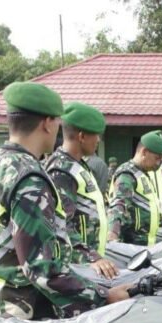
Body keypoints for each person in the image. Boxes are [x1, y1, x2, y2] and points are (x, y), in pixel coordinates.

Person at [0, 81, 126, 320]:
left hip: (2, 292)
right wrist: (102, 296)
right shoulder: (28, 178)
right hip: (27, 309)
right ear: (47, 124)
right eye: (56, 121)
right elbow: (41, 268)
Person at [45, 101, 114, 262]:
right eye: (96, 135)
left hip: (90, 260)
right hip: (78, 262)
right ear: (82, 136)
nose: (98, 140)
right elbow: (61, 224)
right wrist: (92, 257)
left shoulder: (78, 165)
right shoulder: (62, 170)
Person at [106, 130, 162, 246]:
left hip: (147, 244)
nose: (159, 163)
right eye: (157, 158)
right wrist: (113, 233)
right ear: (144, 152)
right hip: (132, 246)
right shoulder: (127, 174)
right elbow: (119, 204)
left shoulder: (143, 174)